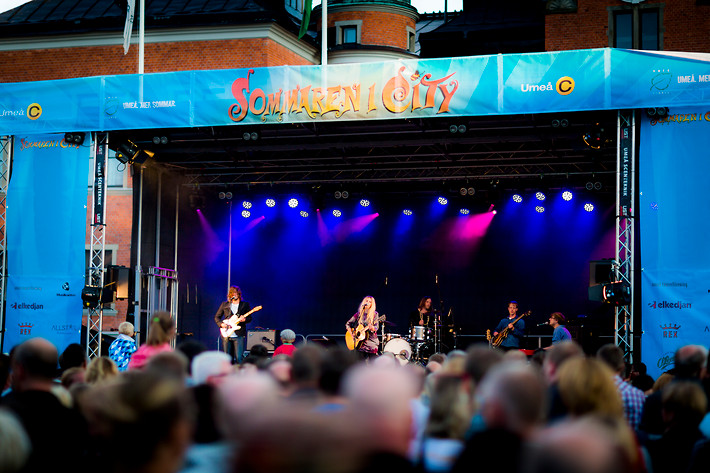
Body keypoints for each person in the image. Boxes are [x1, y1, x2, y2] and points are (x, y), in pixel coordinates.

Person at [214, 286, 252, 365]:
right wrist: (221, 324)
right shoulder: (225, 305)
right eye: (232, 293)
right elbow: (217, 317)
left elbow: (250, 318)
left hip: (239, 335)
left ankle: (240, 375)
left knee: (239, 358)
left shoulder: (244, 305)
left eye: (235, 292)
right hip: (227, 334)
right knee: (227, 359)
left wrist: (244, 319)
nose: (234, 294)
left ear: (238, 293)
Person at [345, 295, 380, 360]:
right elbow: (348, 324)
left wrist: (372, 328)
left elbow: (376, 327)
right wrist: (351, 334)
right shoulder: (359, 314)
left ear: (372, 304)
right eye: (366, 301)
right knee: (360, 364)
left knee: (373, 363)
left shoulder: (375, 314)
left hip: (371, 343)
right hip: (360, 344)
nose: (368, 302)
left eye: (370, 302)